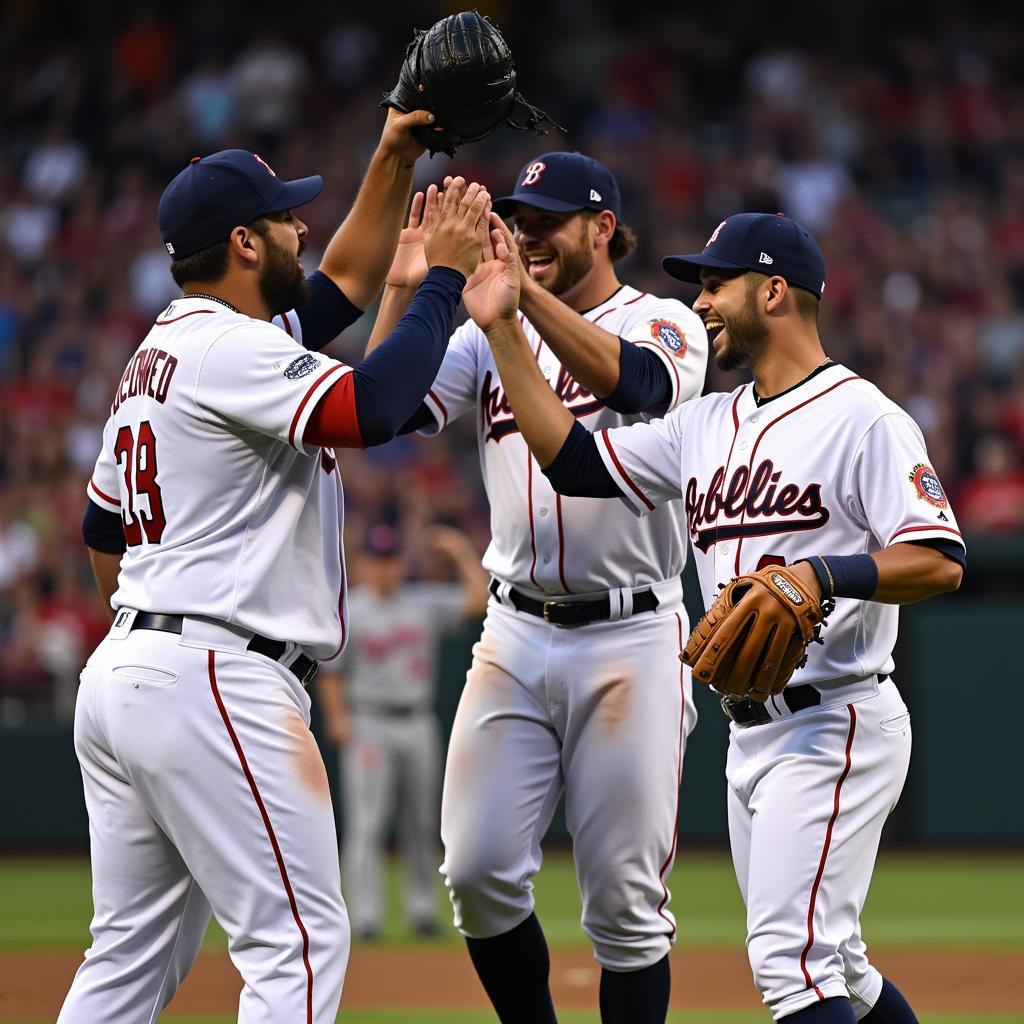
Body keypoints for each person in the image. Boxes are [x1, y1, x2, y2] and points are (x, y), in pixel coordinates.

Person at [466, 210, 965, 1024]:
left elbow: (939, 556)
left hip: (835, 717)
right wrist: (506, 330)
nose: (698, 302)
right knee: (839, 964)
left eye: (715, 283)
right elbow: (573, 459)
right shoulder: (708, 423)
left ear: (774, 292)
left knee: (790, 965)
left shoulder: (862, 416)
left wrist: (821, 574)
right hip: (751, 730)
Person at [59, 108, 493, 1024]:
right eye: (288, 216)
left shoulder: (160, 354)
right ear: (247, 244)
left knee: (128, 962)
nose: (307, 226)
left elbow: (102, 531)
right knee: (296, 948)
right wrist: (444, 280)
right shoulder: (233, 348)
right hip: (219, 675)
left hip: (134, 672)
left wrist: (391, 154)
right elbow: (374, 405)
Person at [359, 152, 709, 1022]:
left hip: (632, 631)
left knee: (626, 907)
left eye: (547, 219)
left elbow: (638, 383)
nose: (524, 234)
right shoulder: (482, 328)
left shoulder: (667, 321)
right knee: (474, 871)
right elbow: (384, 409)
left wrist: (517, 302)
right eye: (517, 219)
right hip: (514, 628)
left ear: (602, 228)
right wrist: (408, 288)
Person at [316, 522, 488, 941]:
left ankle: (422, 911)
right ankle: (367, 918)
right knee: (367, 824)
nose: (384, 568)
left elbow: (478, 601)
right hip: (369, 721)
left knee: (422, 823)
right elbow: (331, 674)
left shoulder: (421, 603)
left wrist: (463, 553)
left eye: (390, 559)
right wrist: (338, 718)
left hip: (417, 720)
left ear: (400, 564)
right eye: (377, 560)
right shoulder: (350, 608)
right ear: (364, 565)